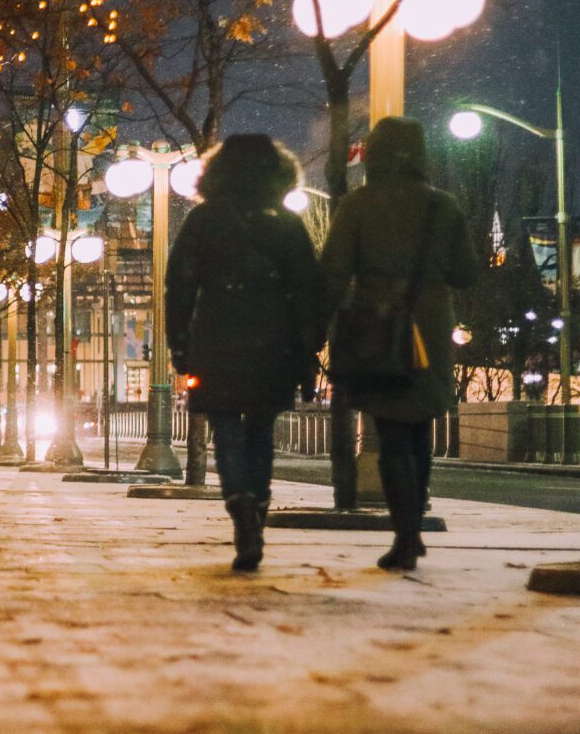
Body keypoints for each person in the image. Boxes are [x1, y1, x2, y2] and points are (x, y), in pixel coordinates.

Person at [321, 117, 480, 571]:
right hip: (429, 330)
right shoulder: (442, 207)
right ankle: (413, 522)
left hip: (377, 327)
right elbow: (466, 272)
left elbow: (333, 271)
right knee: (419, 431)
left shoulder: (358, 205)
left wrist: (318, 325)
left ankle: (405, 533)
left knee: (391, 432)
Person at [167, 134, 326, 571]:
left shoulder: (204, 220)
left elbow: (178, 285)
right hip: (273, 339)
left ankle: (237, 499)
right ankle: (257, 501)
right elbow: (308, 291)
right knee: (260, 429)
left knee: (225, 426)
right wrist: (309, 346)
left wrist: (179, 343)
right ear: (278, 173)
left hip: (216, 335)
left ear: (217, 173)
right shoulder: (286, 223)